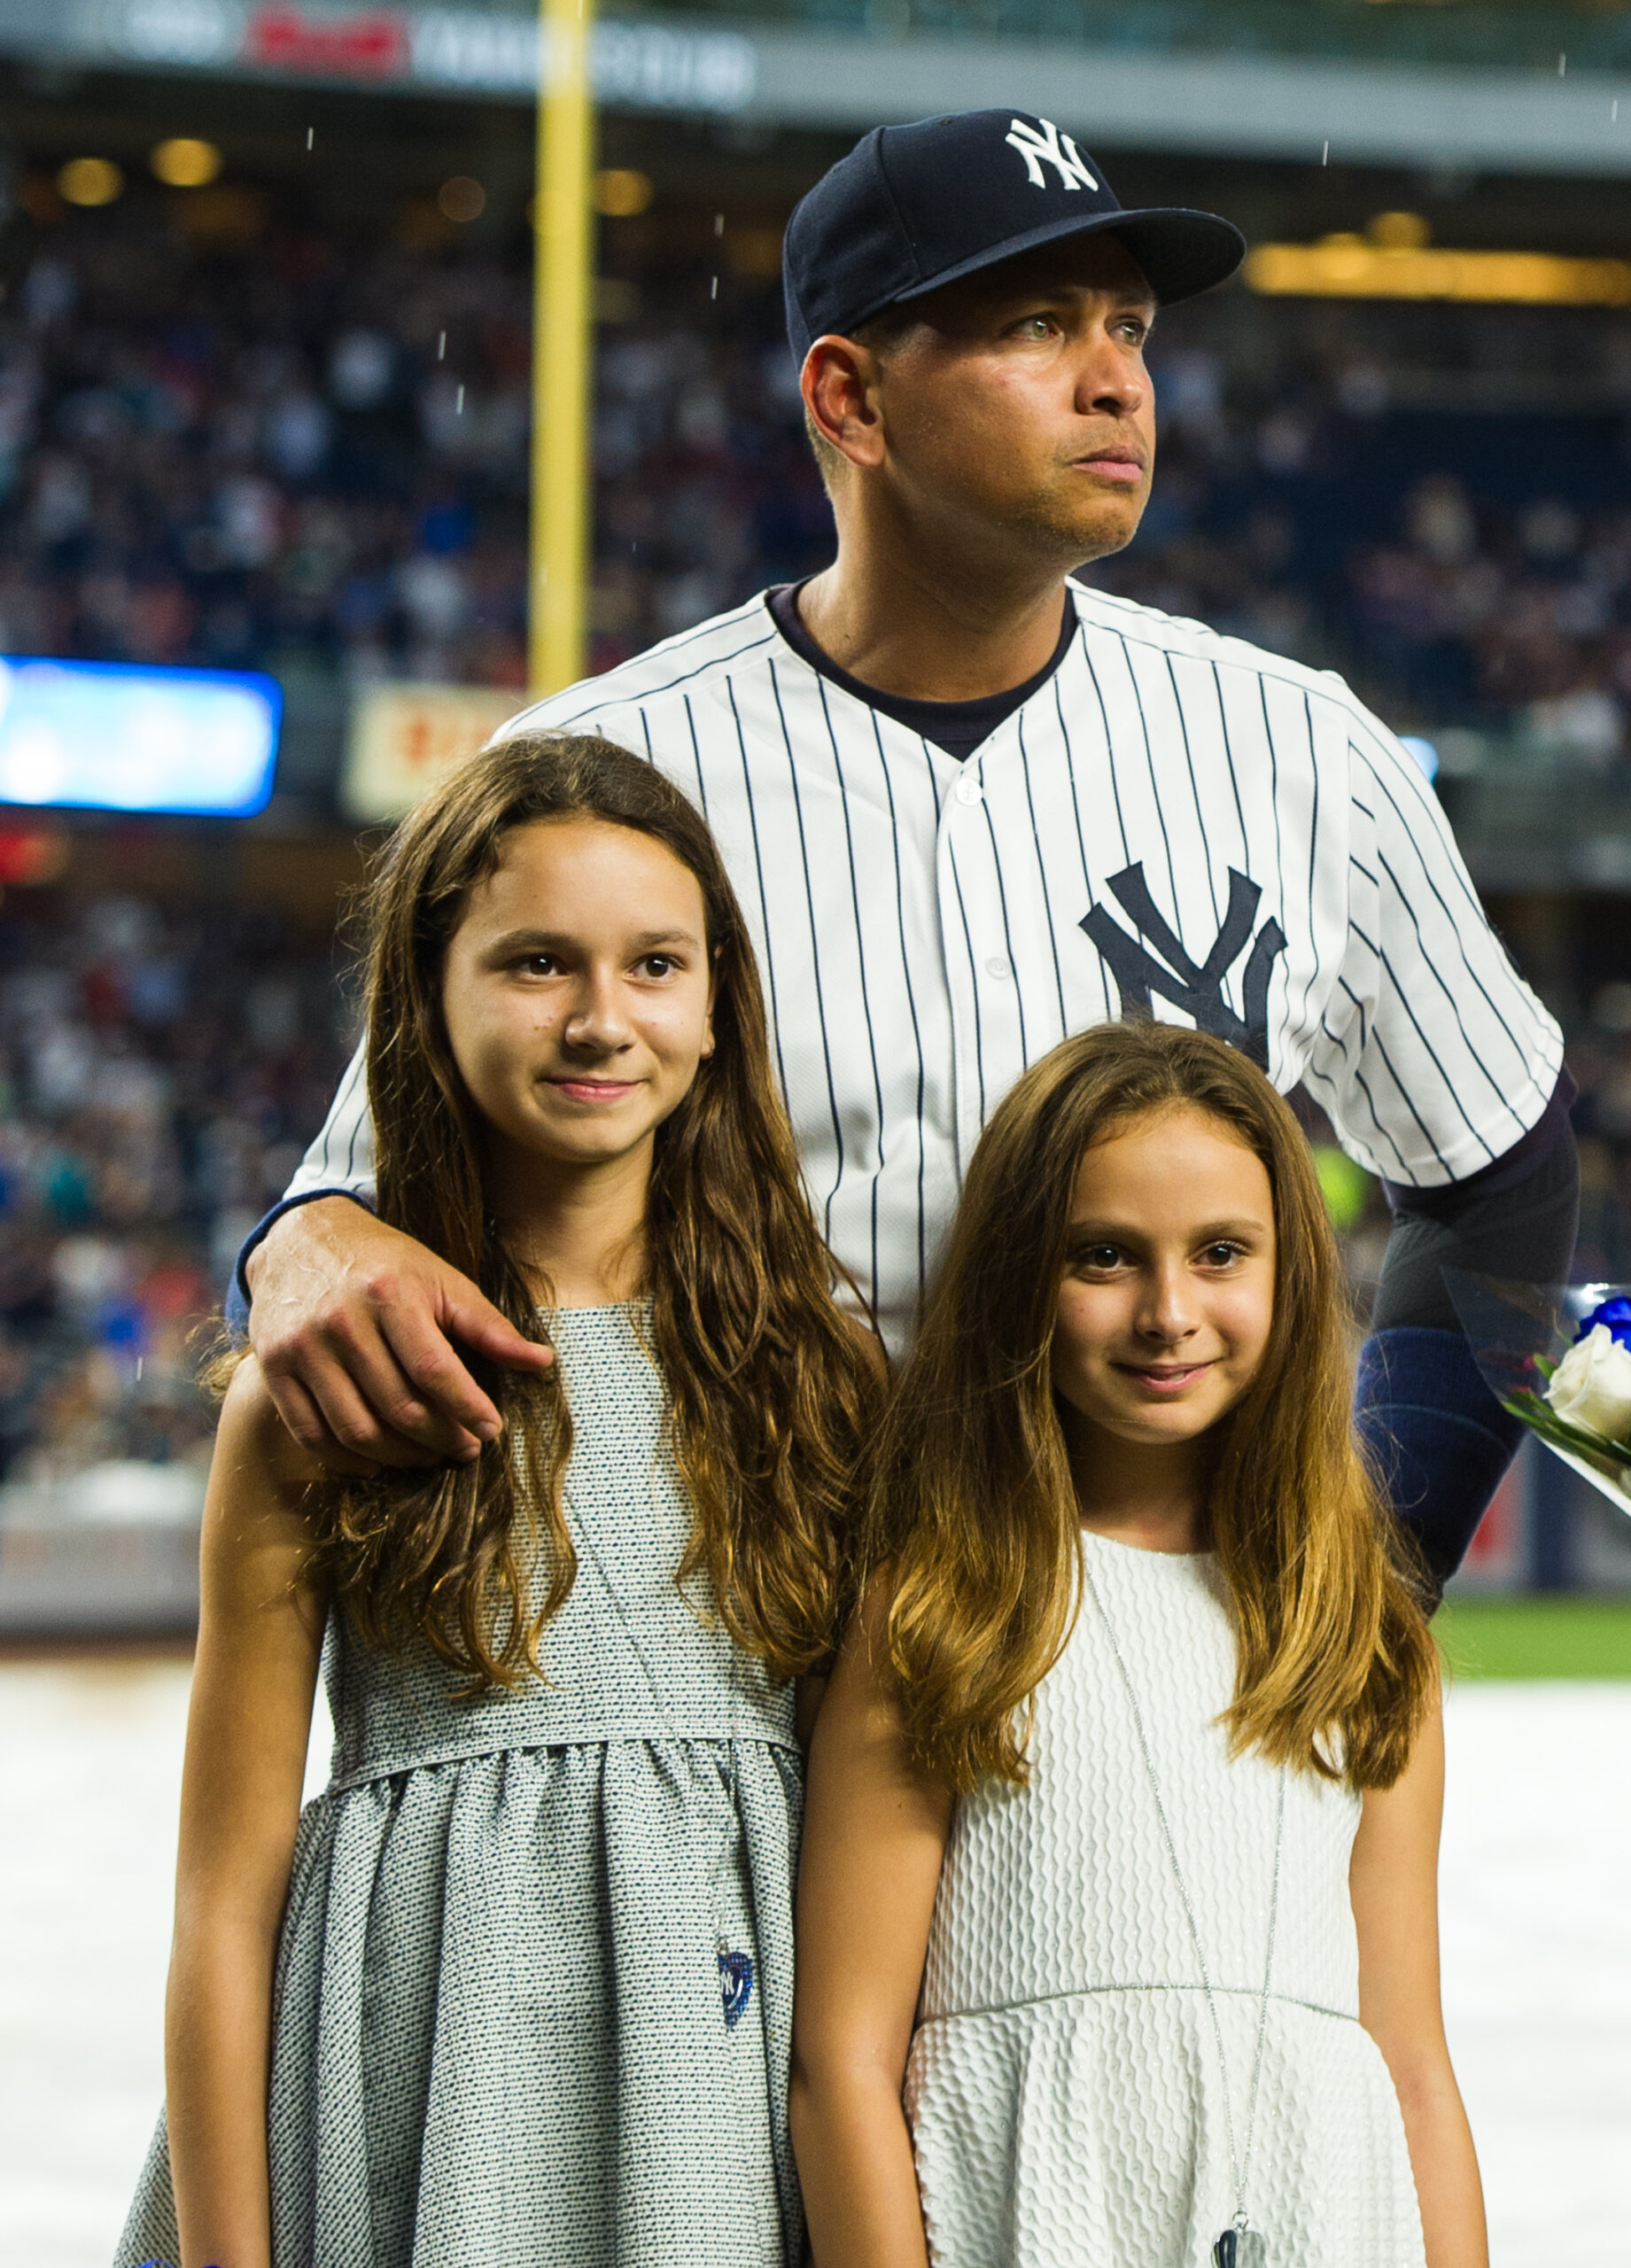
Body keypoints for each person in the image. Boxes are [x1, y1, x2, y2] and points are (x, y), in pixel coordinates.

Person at [237, 109, 1573, 1588]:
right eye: (1036, 324)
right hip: (736, 1660)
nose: (1116, 377)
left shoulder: (1302, 746)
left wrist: (1383, 1559)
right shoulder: (596, 770)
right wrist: (298, 1249)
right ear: (851, 398)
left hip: (1154, 1648)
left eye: (1127, 325)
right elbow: (350, 1199)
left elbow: (1496, 1169)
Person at [115, 734, 882, 2268]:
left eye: (654, 964)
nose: (602, 1018)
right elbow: (218, 1912)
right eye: (537, 962)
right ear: (429, 992)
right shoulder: (319, 1396)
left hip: (721, 2098)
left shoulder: (821, 1374)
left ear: (717, 1004)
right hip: (415, 2089)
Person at [790, 1020, 1486, 2268]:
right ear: (1017, 1277)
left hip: (1329, 2217)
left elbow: (1413, 2071)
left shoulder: (1362, 1641)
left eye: (1220, 1253)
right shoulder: (941, 1614)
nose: (1169, 1313)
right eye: (1104, 1258)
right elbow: (840, 2064)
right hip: (1039, 2212)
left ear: (1289, 1273)